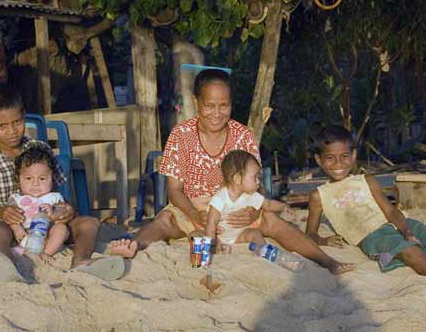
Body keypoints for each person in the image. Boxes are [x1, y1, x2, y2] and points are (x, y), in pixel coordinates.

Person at [112, 69, 354, 275]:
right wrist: (195, 215)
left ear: (231, 104)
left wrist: (251, 210)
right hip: (191, 210)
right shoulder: (180, 135)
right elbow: (174, 192)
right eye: (209, 106)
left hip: (235, 212)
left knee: (272, 221)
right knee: (164, 220)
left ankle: (327, 262)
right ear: (196, 103)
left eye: (224, 106)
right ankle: (132, 246)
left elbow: (255, 185)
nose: (216, 113)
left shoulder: (243, 135)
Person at [0, 83, 124, 285]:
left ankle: (81, 261)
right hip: (4, 223)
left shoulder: (39, 148)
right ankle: (5, 265)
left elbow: (59, 194)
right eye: (2, 126)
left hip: (45, 225)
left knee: (89, 223)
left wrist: (65, 210)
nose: (12, 131)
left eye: (17, 122)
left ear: (24, 117)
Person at [306, 125, 426, 274]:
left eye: (344, 156)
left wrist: (407, 231)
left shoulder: (366, 180)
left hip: (399, 223)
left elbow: (389, 209)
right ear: (319, 160)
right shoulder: (318, 195)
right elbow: (310, 235)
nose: (338, 163)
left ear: (353, 155)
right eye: (330, 158)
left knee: (420, 233)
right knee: (411, 251)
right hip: (373, 235)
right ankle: (394, 254)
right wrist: (324, 241)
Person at [205, 150, 292, 254]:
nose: (258, 181)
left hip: (239, 236)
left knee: (255, 233)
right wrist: (212, 245)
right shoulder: (220, 198)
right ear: (237, 179)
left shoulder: (251, 195)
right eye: (254, 177)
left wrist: (283, 206)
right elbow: (211, 223)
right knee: (199, 235)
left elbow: (268, 204)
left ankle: (262, 250)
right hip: (220, 237)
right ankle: (219, 247)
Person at [9, 142, 68, 261]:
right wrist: (16, 228)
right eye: (28, 178)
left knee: (61, 229)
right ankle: (19, 250)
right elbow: (11, 215)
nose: (35, 184)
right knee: (6, 230)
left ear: (52, 178)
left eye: (42, 179)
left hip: (47, 235)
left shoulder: (54, 197)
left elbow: (63, 211)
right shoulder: (17, 199)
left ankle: (47, 252)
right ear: (18, 179)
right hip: (24, 234)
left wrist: (54, 212)